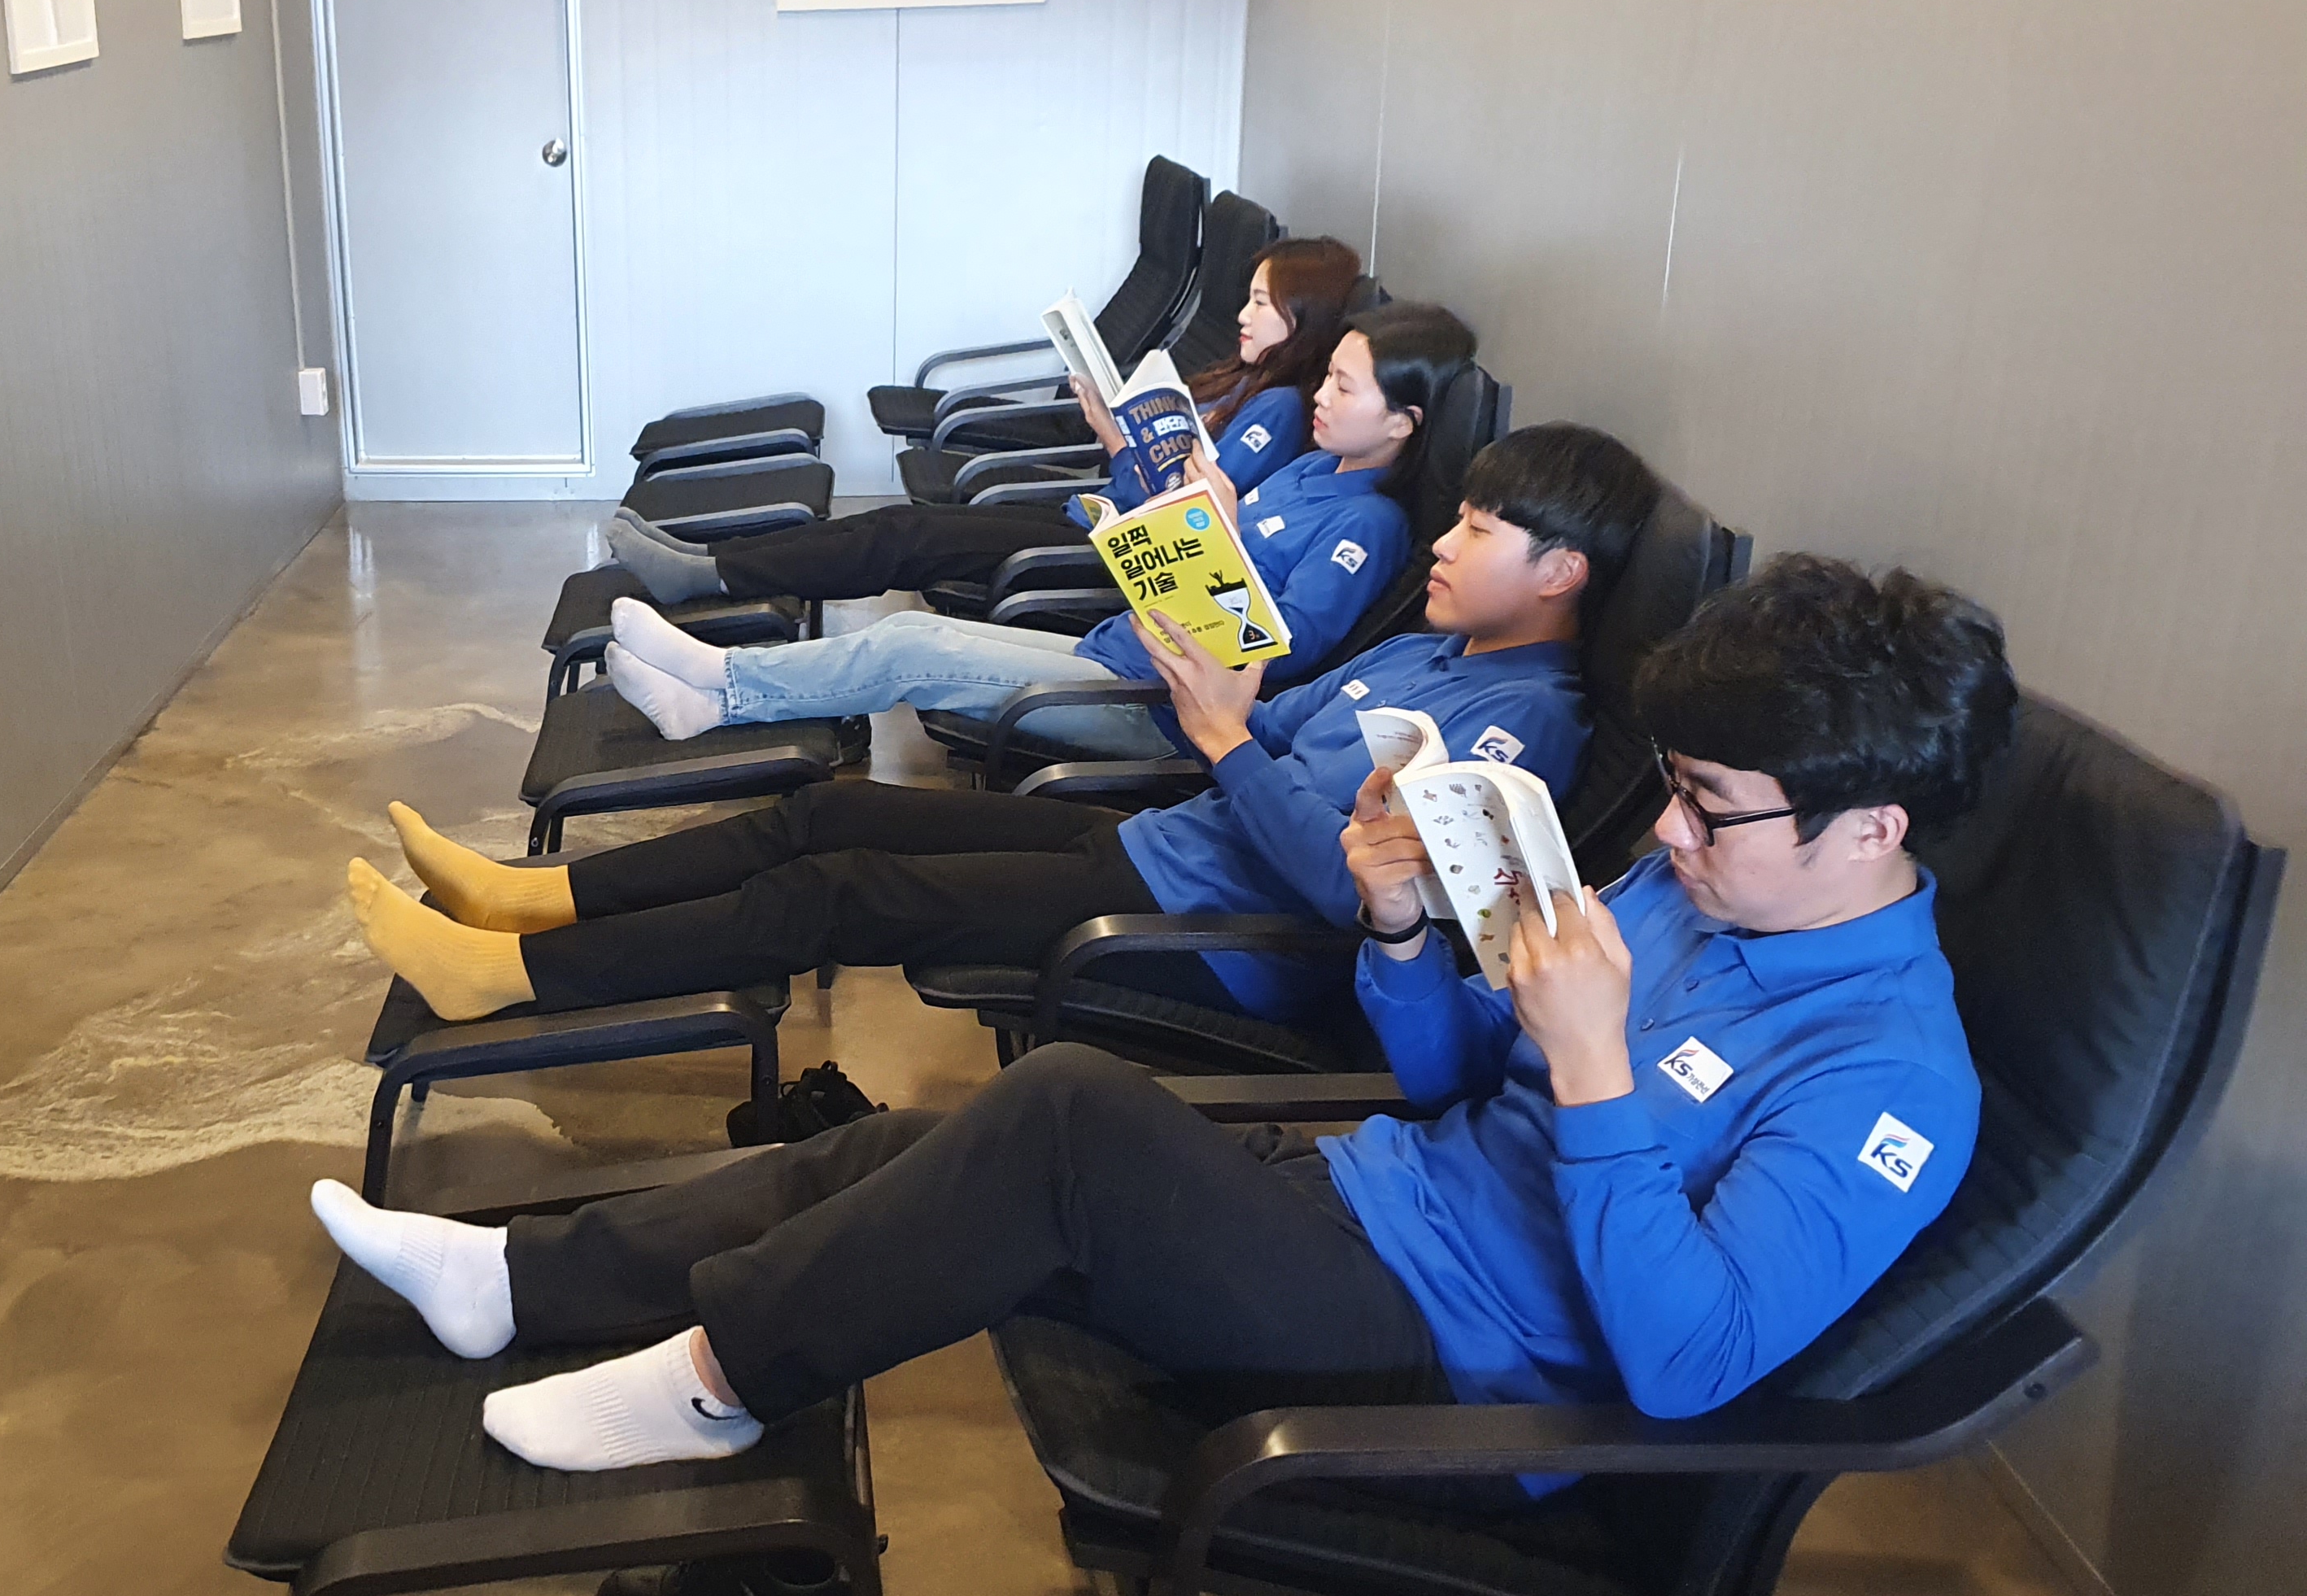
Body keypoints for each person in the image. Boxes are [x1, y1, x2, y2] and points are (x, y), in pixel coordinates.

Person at [312, 555, 2013, 1496]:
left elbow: (1687, 1361)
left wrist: (1593, 1067)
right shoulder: (1693, 895)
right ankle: (519, 1281)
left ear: (1872, 824)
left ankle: (715, 1384)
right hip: (1356, 1203)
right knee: (908, 1146)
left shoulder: (1894, 1083)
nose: (1675, 836)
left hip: (1454, 1364)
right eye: (1680, 801)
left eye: (1714, 808)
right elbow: (1445, 1080)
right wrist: (1401, 933)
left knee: (1065, 1109)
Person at [347, 422, 1658, 1023]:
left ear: (1562, 572)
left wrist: (1223, 740)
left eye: (1479, 531)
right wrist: (1223, 708)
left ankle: (510, 979)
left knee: (842, 891)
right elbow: (1277, 728)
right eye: (1455, 519)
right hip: (1165, 845)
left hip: (1224, 936)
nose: (1443, 545)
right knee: (826, 813)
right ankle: (535, 901)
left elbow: (1347, 888)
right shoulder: (1434, 648)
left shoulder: (1524, 732)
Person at [595, 302, 1475, 764]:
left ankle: (722, 683)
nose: (1320, 396)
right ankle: (713, 696)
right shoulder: (1314, 472)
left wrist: (1223, 537)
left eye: (1345, 388)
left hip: (1161, 707)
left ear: (1404, 422)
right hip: (1120, 647)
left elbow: (1280, 651)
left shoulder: (1371, 526)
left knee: (906, 644)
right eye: (1327, 378)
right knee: (909, 630)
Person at [602, 239, 1367, 611]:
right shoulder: (1248, 381)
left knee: (905, 536)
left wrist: (1114, 440)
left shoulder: (1279, 410)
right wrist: (1116, 430)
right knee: (898, 526)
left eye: (1261, 303)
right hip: (1096, 518)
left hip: (1113, 554)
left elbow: (1184, 519)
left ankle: (712, 574)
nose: (1242, 314)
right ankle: (711, 560)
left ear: (1303, 316)